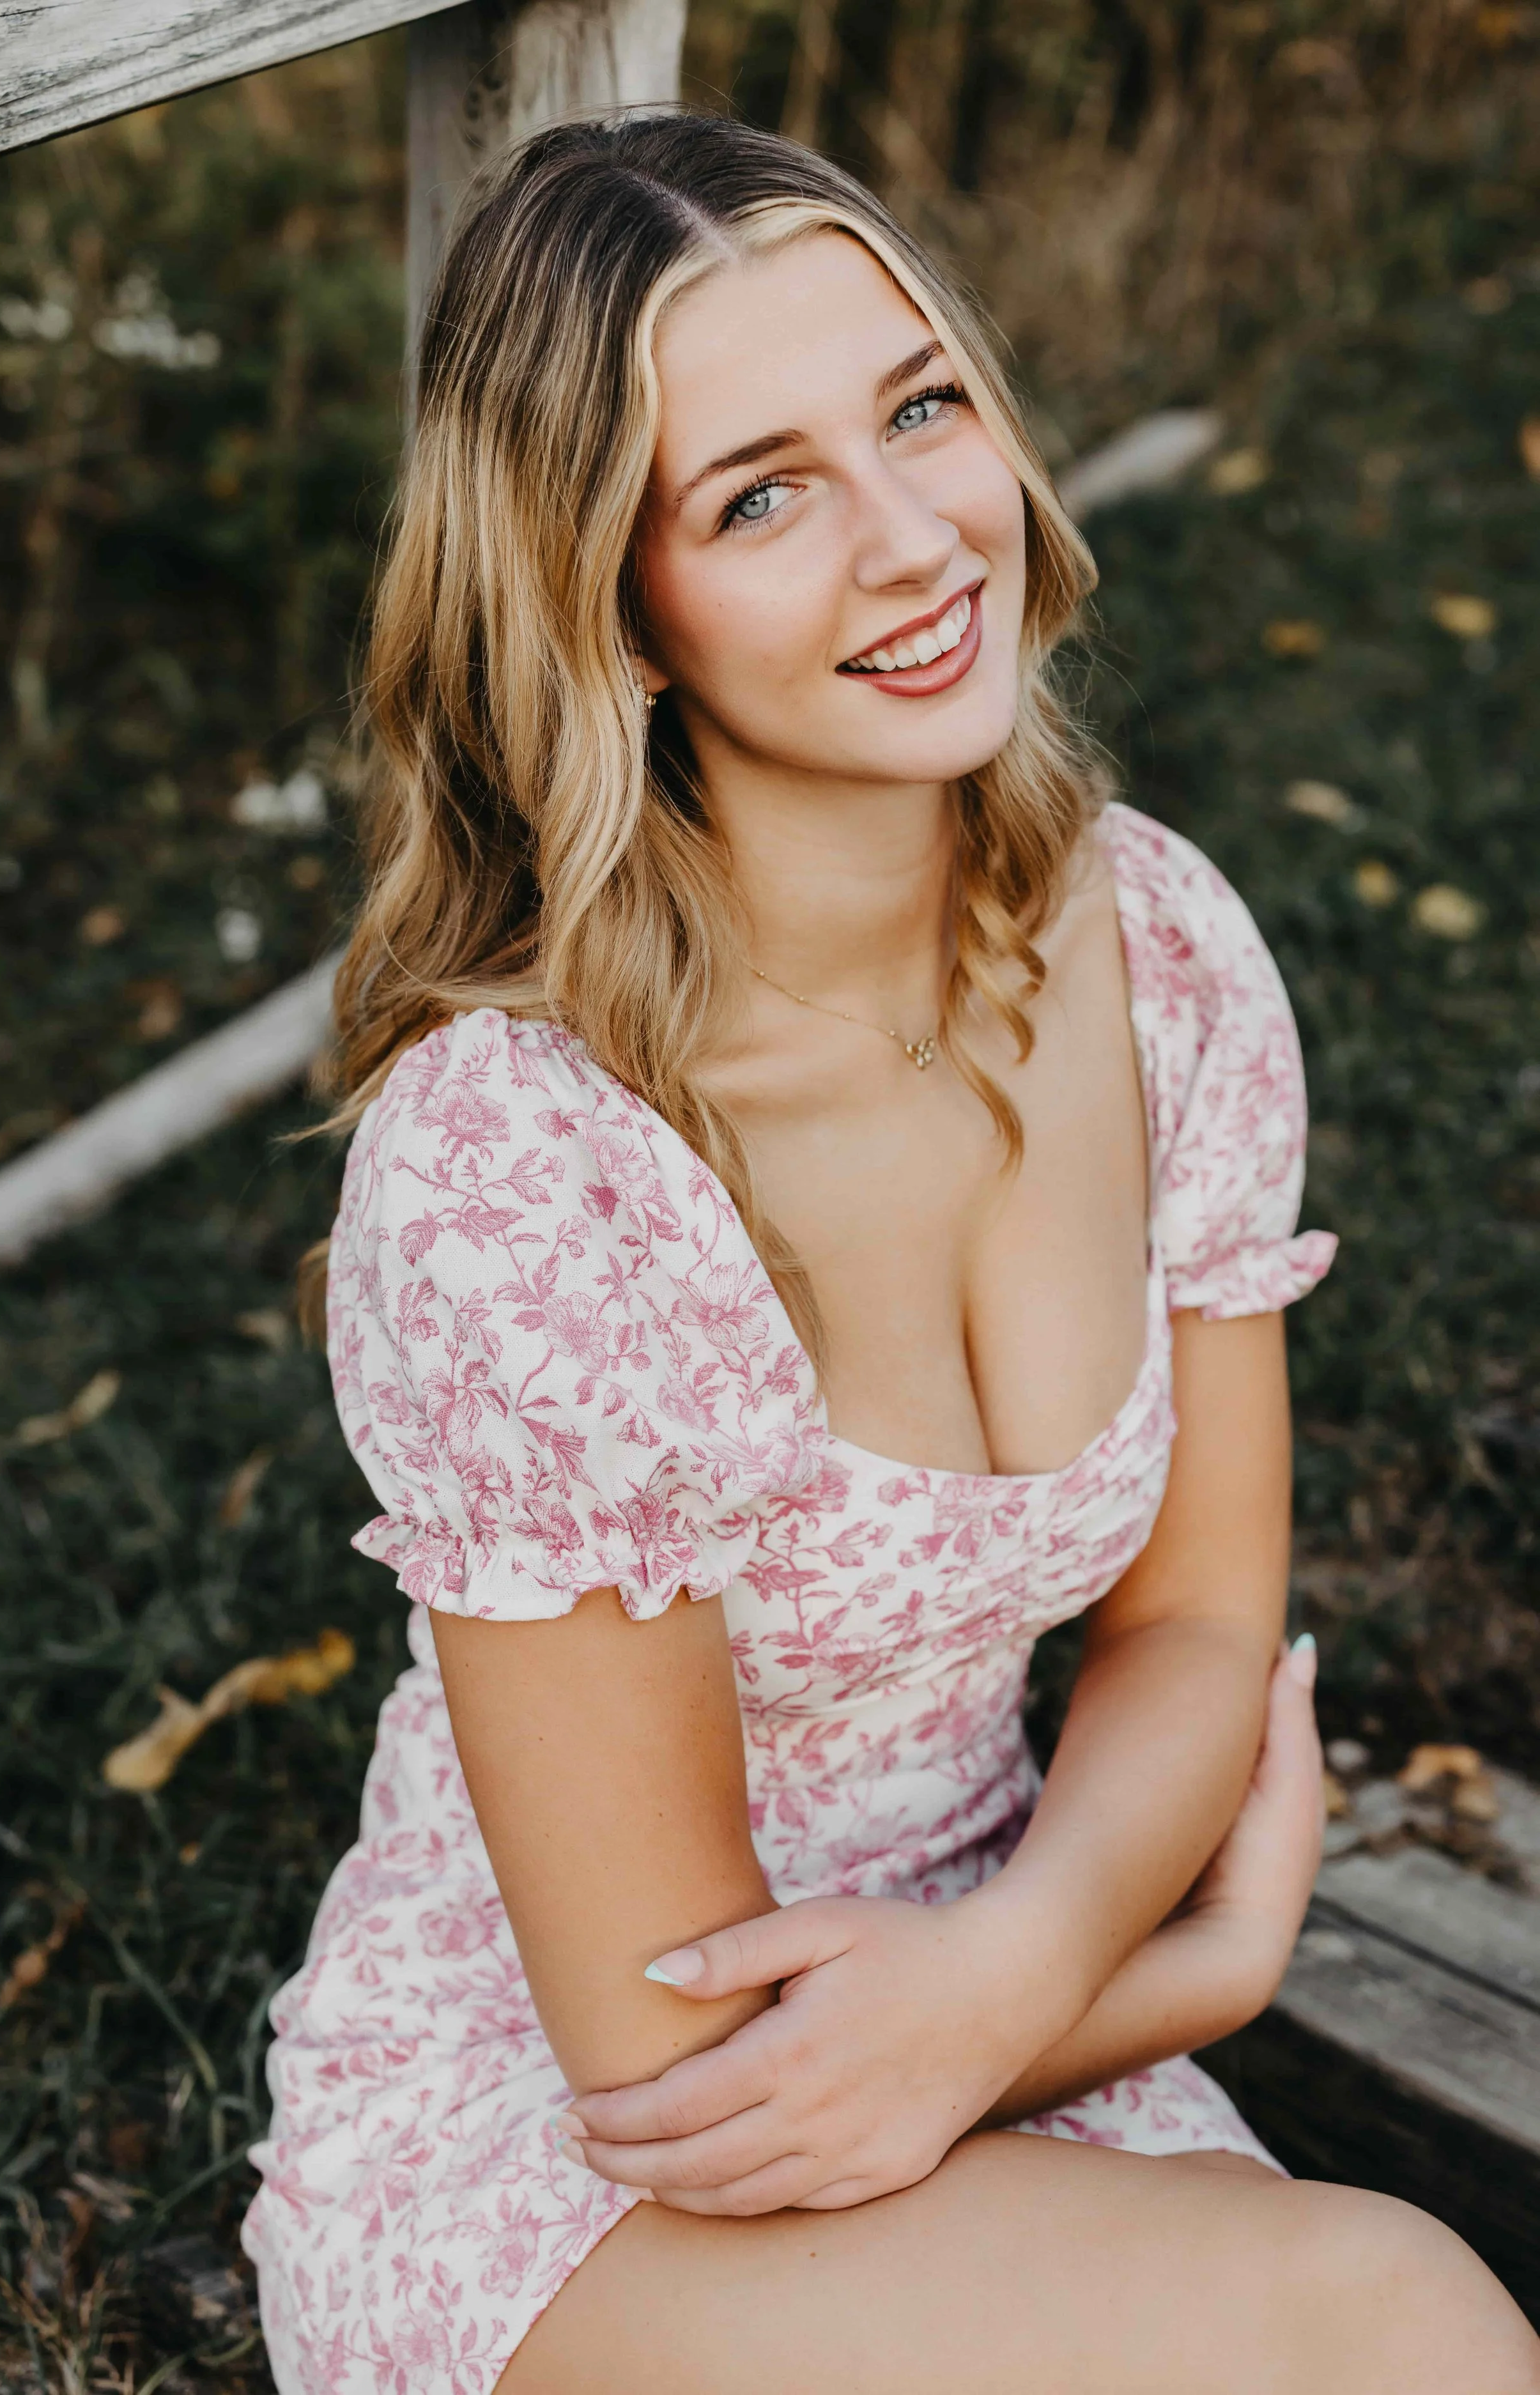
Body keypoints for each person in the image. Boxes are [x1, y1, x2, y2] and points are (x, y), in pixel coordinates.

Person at [242, 111, 1540, 2394]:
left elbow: (1203, 1618)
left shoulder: (1156, 947)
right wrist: (1187, 1965)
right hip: (584, 2153)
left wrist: (1018, 1955)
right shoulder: (530, 1166)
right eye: (758, 493)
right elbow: (689, 2077)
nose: (912, 534)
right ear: (607, 612)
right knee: (1405, 2322)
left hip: (987, 1998)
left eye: (916, 405)